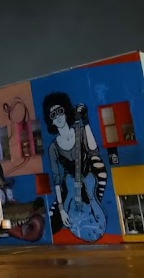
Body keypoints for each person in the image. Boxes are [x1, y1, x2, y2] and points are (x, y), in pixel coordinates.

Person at [42, 92, 108, 238]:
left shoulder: (80, 130)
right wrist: (61, 209)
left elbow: (94, 151)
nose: (58, 117)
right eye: (53, 115)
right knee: (53, 221)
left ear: (66, 112)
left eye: (60, 111)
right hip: (70, 185)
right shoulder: (53, 147)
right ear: (50, 121)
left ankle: (95, 199)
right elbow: (56, 179)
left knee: (98, 164)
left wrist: (86, 122)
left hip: (89, 179)